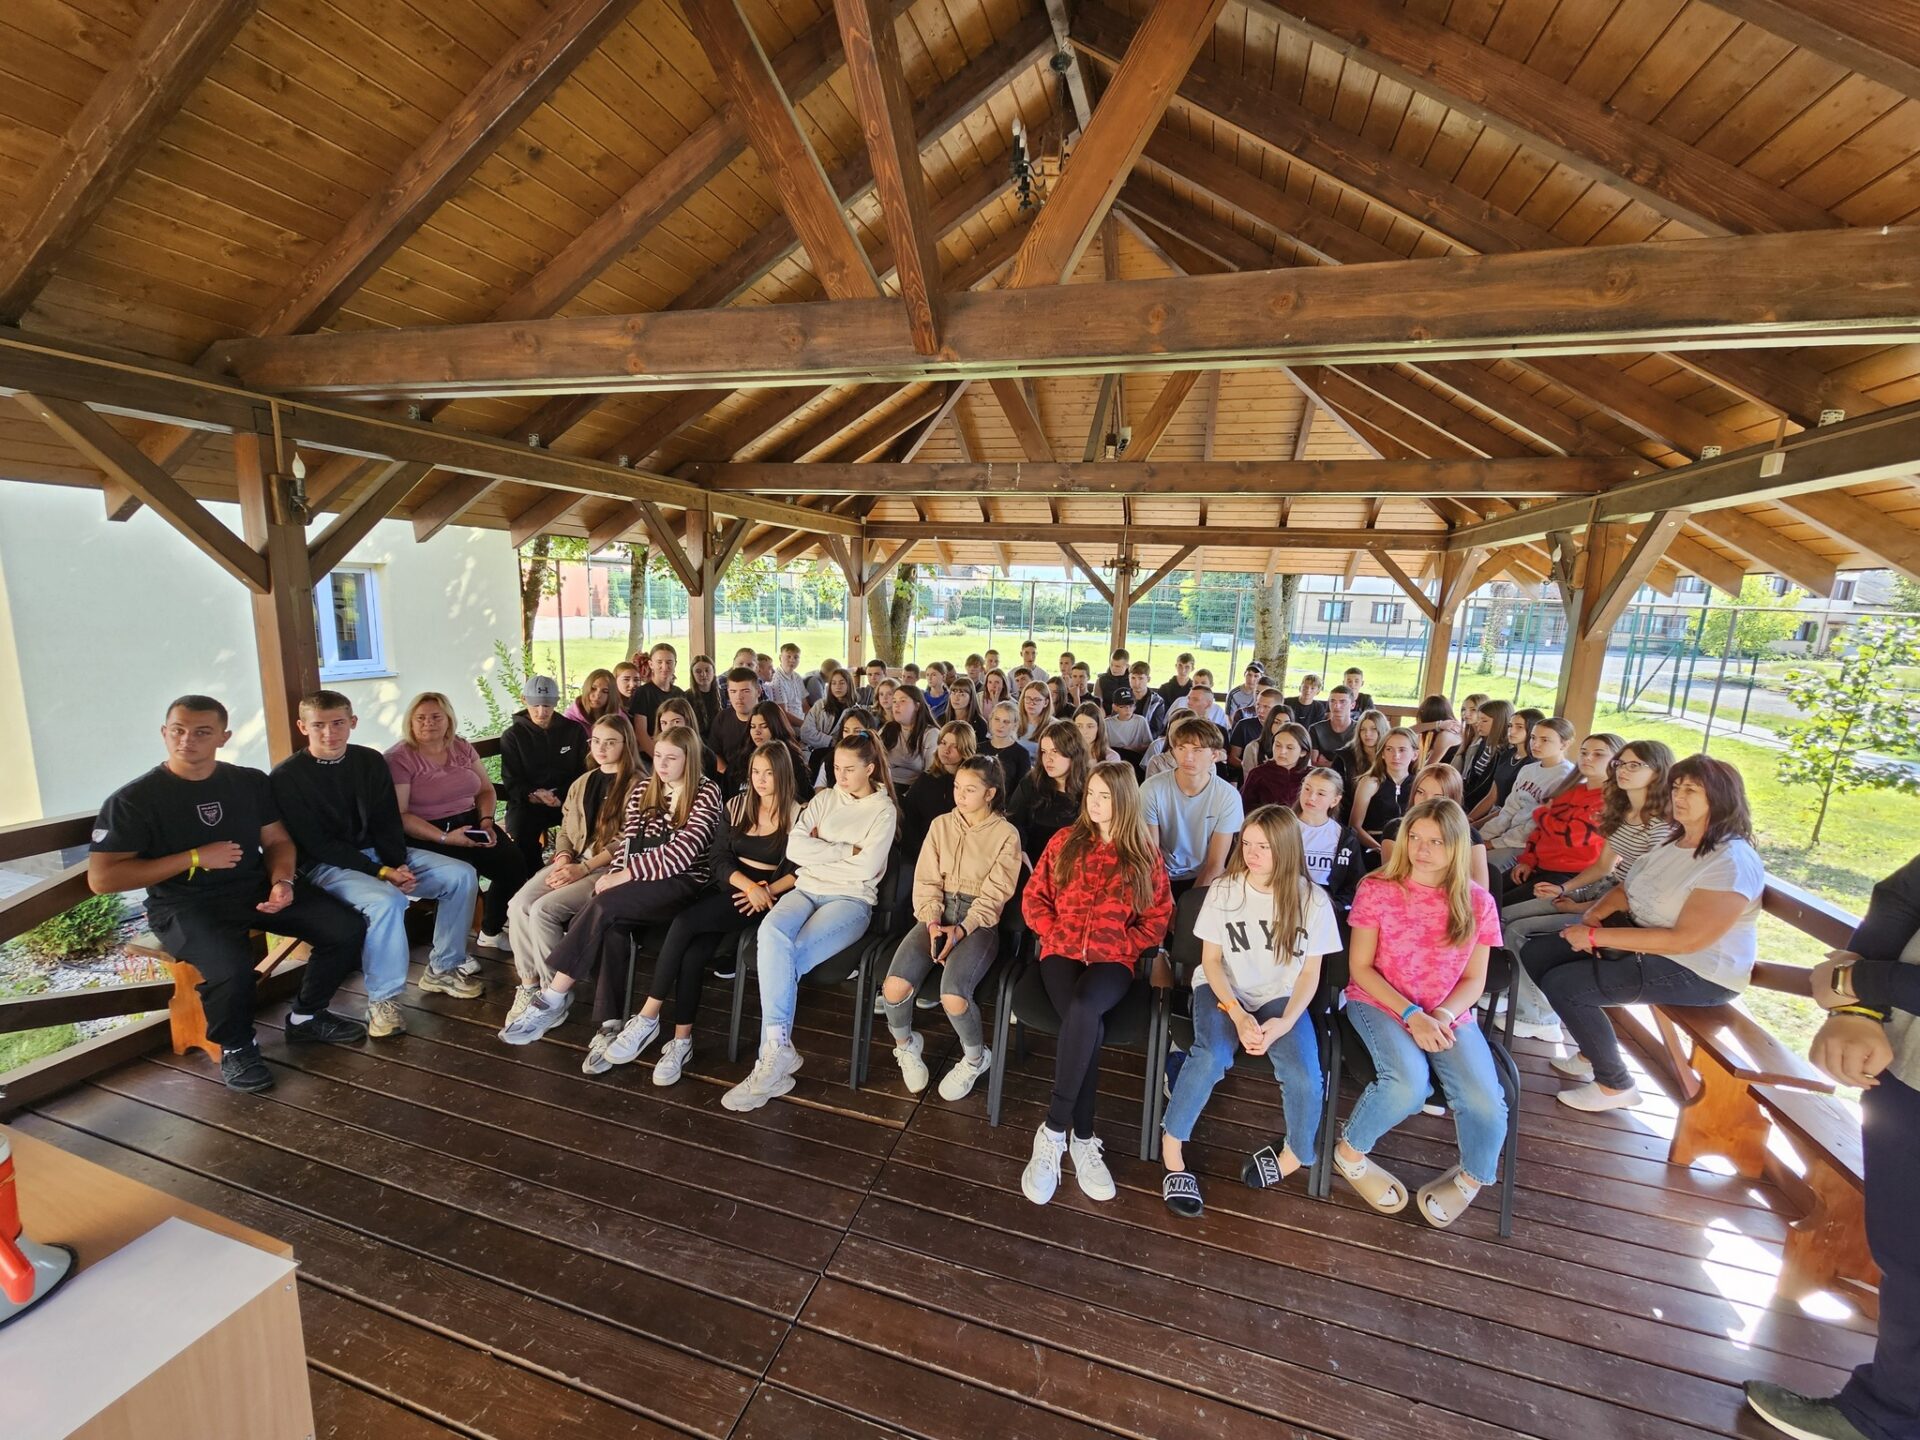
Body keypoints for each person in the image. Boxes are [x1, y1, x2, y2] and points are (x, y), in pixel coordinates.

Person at [89, 696, 368, 1092]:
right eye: (178, 730)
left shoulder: (247, 782)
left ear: (224, 737)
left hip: (253, 888)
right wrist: (193, 857)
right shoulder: (133, 800)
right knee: (231, 968)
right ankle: (237, 1046)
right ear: (164, 733)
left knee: (345, 927)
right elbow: (103, 879)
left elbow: (277, 840)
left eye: (202, 732)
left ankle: (307, 1017)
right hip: (183, 904)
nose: (187, 740)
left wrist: (283, 881)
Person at [1744, 852, 1920, 1440]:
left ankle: (1886, 1417)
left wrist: (1859, 981)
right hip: (1905, 1069)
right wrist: (1861, 1009)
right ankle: (1887, 1412)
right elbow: (1903, 894)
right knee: (1907, 1252)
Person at [1522, 754, 1765, 1113]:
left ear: (1720, 797)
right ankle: (1592, 1050)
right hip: (1645, 939)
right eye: (1676, 788)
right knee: (1538, 953)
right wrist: (1593, 915)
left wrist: (1596, 939)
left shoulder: (1730, 861)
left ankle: (1614, 1083)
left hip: (1698, 970)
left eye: (1692, 790)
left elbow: (1687, 940)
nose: (1678, 796)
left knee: (1567, 985)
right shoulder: (1675, 841)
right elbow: (1628, 886)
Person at [498, 726, 725, 1073]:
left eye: (671, 758)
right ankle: (610, 1025)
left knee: (602, 907)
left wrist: (622, 876)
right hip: (639, 882)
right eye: (658, 756)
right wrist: (613, 876)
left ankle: (553, 996)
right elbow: (629, 844)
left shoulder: (706, 792)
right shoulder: (645, 791)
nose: (662, 765)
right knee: (611, 925)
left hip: (683, 883)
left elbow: (682, 855)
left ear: (689, 759)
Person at [1334, 798, 1506, 1228]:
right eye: (1415, 837)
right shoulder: (1377, 888)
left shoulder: (1478, 902)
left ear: (1457, 847)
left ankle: (1469, 1179)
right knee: (1407, 1085)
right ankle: (1349, 1153)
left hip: (1447, 1012)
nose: (1421, 849)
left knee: (1486, 1100)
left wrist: (1442, 1016)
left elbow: (1475, 980)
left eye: (1436, 841)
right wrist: (1412, 1014)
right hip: (1380, 1001)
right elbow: (1360, 968)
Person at [274, 691, 484, 1038]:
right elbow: (317, 844)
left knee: (461, 875)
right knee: (386, 901)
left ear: (352, 722)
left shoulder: (369, 761)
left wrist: (397, 863)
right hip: (328, 866)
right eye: (319, 725)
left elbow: (387, 819)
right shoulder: (288, 776)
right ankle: (383, 1001)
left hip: (382, 856)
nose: (329, 733)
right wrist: (382, 873)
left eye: (338, 723)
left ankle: (443, 968)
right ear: (302, 727)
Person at [1161, 805, 1338, 1217]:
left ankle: (1295, 1154)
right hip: (1225, 988)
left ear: (1287, 849)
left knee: (1304, 1074)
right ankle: (1172, 1145)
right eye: (1247, 844)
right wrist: (1238, 1014)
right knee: (1212, 1054)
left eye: (1264, 846)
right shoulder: (1226, 890)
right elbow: (1210, 962)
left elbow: (1310, 974)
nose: (1252, 853)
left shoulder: (1313, 900)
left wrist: (1285, 1022)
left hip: (1281, 996)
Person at [594, 741, 802, 1086]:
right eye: (755, 772)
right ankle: (681, 1041)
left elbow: (800, 870)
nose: (761, 780)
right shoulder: (737, 806)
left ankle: (647, 1015)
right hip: (729, 887)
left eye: (769, 773)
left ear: (783, 774)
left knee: (684, 922)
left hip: (759, 900)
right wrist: (747, 884)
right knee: (692, 956)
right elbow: (718, 859)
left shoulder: (797, 815)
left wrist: (763, 891)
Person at [1020, 763, 1174, 1205]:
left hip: (1113, 961)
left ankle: (1053, 1130)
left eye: (1105, 796)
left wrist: (1125, 942)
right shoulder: (1064, 842)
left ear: (1123, 800)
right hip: (1060, 953)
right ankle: (1083, 1137)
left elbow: (1159, 916)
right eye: (1091, 794)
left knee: (1085, 1010)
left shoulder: (1144, 855)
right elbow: (1034, 897)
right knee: (1089, 1026)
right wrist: (1054, 931)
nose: (1095, 803)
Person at [723, 732, 899, 1112]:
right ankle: (777, 1052)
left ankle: (771, 1058)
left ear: (870, 769)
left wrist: (821, 851)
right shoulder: (824, 799)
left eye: (849, 769)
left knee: (788, 955)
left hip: (851, 899)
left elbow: (867, 868)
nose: (840, 776)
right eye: (835, 767)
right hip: (805, 889)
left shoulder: (883, 811)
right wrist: (844, 850)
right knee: (770, 932)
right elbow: (796, 848)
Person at [1500, 740, 1672, 1042]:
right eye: (1621, 764)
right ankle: (1513, 991)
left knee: (1518, 930)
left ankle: (1538, 1016)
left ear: (1658, 772)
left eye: (1635, 765)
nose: (1623, 770)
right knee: (1503, 916)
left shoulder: (1660, 827)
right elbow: (1603, 867)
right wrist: (1563, 888)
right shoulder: (1624, 813)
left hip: (1621, 912)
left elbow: (1644, 891)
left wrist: (1580, 908)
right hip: (1600, 891)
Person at [883, 756, 1022, 1101]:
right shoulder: (941, 825)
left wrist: (960, 930)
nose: (960, 795)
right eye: (957, 787)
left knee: (953, 995)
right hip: (937, 910)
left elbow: (994, 896)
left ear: (990, 793)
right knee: (894, 988)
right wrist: (933, 922)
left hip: (979, 922)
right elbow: (926, 880)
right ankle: (906, 1045)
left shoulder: (1006, 835)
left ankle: (976, 1058)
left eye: (970, 789)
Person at [502, 713, 643, 1025]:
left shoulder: (638, 785)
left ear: (626, 744)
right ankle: (529, 984)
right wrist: (564, 857)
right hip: (575, 859)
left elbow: (629, 840)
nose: (601, 748)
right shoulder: (583, 781)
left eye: (611, 742)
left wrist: (584, 868)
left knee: (544, 910)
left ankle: (554, 993)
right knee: (518, 905)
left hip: (606, 869)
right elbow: (566, 828)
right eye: (596, 741)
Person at [387, 691, 528, 950]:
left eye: (436, 717)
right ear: (410, 721)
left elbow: (485, 790)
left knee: (514, 865)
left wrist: (486, 821)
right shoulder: (400, 757)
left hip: (472, 822)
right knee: (462, 878)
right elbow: (401, 815)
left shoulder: (460, 746)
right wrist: (445, 838)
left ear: (448, 720)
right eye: (421, 718)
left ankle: (490, 929)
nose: (428, 723)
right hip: (427, 832)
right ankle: (450, 952)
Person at [1502, 732, 1623, 902]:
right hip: (1539, 865)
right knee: (1483, 891)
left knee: (1498, 906)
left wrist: (1542, 813)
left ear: (1617, 762)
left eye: (1598, 754)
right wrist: (1527, 860)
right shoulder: (1569, 791)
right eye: (1583, 752)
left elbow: (1569, 836)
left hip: (1572, 876)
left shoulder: (1610, 802)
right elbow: (1540, 831)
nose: (1588, 758)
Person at [1141, 716, 1244, 894]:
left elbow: (1215, 864)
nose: (1188, 757)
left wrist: (1189, 904)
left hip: (1204, 876)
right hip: (1159, 874)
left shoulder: (1228, 796)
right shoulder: (1151, 789)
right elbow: (1151, 855)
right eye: (1181, 748)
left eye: (1197, 750)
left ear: (1214, 755)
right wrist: (1166, 900)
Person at [498, 673, 587, 877]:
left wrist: (562, 796)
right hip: (529, 801)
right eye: (535, 705)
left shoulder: (573, 731)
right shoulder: (513, 736)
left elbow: (582, 773)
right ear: (524, 700)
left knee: (584, 822)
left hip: (567, 798)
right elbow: (512, 780)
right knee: (521, 832)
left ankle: (575, 872)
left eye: (546, 705)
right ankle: (533, 878)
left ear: (556, 702)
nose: (541, 712)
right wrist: (533, 794)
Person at [1480, 716, 1575, 865]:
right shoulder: (1527, 769)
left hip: (1528, 844)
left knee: (1482, 864)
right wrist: (1483, 836)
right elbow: (1509, 809)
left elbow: (1535, 825)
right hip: (1507, 836)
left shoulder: (1565, 778)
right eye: (1533, 737)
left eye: (1545, 740)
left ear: (1564, 744)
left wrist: (1494, 843)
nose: (1535, 744)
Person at [1383, 764, 1490, 890]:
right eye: (1420, 792)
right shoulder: (1395, 829)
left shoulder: (1470, 836)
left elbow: (1480, 892)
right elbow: (1393, 882)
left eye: (1438, 797)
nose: (1426, 801)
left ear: (1452, 800)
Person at [1008, 721, 1088, 864]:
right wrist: (1023, 857)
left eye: (1055, 752)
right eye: (1044, 752)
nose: (1048, 759)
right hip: (1031, 863)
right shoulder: (1031, 782)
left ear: (1073, 752)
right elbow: (1014, 824)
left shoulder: (1090, 787)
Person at [1294, 766, 1366, 924]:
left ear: (1335, 800)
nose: (1311, 797)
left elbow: (1354, 884)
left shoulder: (1345, 838)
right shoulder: (1283, 829)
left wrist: (1332, 907)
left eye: (1321, 793)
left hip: (1327, 914)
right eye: (1307, 789)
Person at [900, 721, 976, 855]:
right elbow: (910, 816)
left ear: (965, 749)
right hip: (924, 849)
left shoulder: (973, 784)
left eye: (955, 746)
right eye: (943, 743)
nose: (946, 750)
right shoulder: (926, 778)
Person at [1350, 727, 1417, 860]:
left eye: (1402, 750)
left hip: (1408, 849)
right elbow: (1354, 826)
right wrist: (1381, 849)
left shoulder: (1418, 784)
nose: (1395, 756)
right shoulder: (1370, 782)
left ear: (1415, 754)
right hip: (1373, 847)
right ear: (1382, 754)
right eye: (1389, 749)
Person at [1468, 706, 1542, 824]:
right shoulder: (1507, 754)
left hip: (1510, 819)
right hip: (1493, 813)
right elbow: (1492, 796)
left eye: (1519, 727)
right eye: (1510, 726)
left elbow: (1510, 808)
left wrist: (1475, 825)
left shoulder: (1532, 764)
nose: (1511, 731)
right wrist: (1469, 819)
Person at [707, 666, 763, 798]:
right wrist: (726, 772)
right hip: (730, 781)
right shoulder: (722, 718)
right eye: (733, 691)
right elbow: (714, 751)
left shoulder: (769, 718)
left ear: (758, 692)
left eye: (745, 691)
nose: (739, 697)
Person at [628, 643, 685, 756]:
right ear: (651, 664)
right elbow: (641, 733)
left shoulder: (680, 694)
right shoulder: (643, 693)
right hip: (650, 754)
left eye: (669, 662)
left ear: (675, 664)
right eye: (659, 662)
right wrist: (659, 757)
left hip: (677, 751)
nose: (664, 667)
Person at [1242, 721, 1312, 812]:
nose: (1282, 752)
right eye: (1278, 745)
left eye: (1289, 748)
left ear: (1303, 752)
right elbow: (1245, 809)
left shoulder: (1312, 776)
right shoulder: (1258, 773)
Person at [882, 683, 940, 789]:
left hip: (914, 789)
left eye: (902, 701)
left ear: (917, 706)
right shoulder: (888, 728)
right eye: (894, 701)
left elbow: (931, 773)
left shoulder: (930, 734)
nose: (896, 705)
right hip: (884, 784)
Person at [748, 701, 810, 799]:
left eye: (764, 726)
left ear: (776, 726)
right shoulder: (746, 755)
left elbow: (802, 794)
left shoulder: (791, 758)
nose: (757, 732)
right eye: (753, 727)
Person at [799, 664, 858, 767]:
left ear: (849, 685)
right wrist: (830, 741)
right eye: (833, 683)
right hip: (811, 752)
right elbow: (805, 732)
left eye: (842, 683)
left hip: (840, 755)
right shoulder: (820, 705)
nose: (837, 687)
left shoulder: (856, 710)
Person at [1457, 698, 1510, 809]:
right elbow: (1473, 777)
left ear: (1499, 723)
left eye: (1484, 721)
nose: (1478, 724)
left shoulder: (1503, 753)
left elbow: (1487, 790)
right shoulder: (1485, 743)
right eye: (1479, 719)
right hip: (1469, 799)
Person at [1227, 688, 1285, 773]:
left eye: (1266, 707)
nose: (1260, 710)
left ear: (1278, 708)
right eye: (1258, 705)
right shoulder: (1244, 725)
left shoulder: (1285, 729)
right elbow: (1232, 758)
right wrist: (1251, 767)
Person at [982, 700, 1033, 795]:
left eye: (1006, 722)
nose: (1000, 725)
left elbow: (1024, 791)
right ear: (991, 720)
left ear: (1014, 725)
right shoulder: (979, 748)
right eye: (997, 719)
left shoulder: (1022, 754)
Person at [1308, 685, 1358, 766]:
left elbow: (1361, 763)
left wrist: (1330, 764)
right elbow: (1314, 762)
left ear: (1352, 705)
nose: (1337, 706)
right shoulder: (1316, 729)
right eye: (1332, 701)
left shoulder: (1360, 729)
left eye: (1342, 702)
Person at [1105, 687, 1152, 769]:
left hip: (1134, 757)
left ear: (1135, 706)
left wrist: (1134, 748)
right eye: (1123, 706)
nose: (1128, 709)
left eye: (1131, 706)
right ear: (1115, 707)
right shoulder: (1107, 723)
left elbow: (1149, 744)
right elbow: (1102, 745)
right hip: (1113, 758)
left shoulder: (1140, 721)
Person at [1411, 695, 1463, 769]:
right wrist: (1438, 724)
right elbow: (1408, 731)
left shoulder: (1445, 735)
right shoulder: (1445, 729)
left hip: (1444, 774)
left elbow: (1430, 766)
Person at [767, 642, 809, 729]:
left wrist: (814, 721)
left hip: (803, 722)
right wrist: (805, 726)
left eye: (796, 657)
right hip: (789, 727)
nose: (792, 660)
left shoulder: (797, 677)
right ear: (780, 658)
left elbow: (805, 706)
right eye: (788, 656)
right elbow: (782, 713)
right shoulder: (777, 680)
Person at [563, 668, 617, 733]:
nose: (597, 695)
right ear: (586, 687)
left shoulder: (619, 717)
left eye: (605, 691)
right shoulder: (569, 719)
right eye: (593, 688)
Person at [1073, 701, 1122, 765]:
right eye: (1079, 726)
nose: (1084, 731)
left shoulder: (1111, 758)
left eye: (1090, 726)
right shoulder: (1065, 754)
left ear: (1099, 728)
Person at [1015, 680, 1055, 757]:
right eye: (1028, 698)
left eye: (1037, 700)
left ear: (1046, 702)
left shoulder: (1054, 726)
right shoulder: (1014, 720)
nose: (1031, 703)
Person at [1128, 661, 1168, 737]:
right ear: (1128, 678)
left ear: (1148, 679)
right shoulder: (1122, 697)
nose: (1136, 683)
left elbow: (1156, 729)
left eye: (1140, 678)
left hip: (1145, 740)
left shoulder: (1157, 702)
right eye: (1133, 678)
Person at [685, 654, 720, 736]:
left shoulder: (722, 694)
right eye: (698, 671)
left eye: (707, 670)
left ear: (714, 672)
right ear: (692, 674)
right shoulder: (686, 697)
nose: (703, 674)